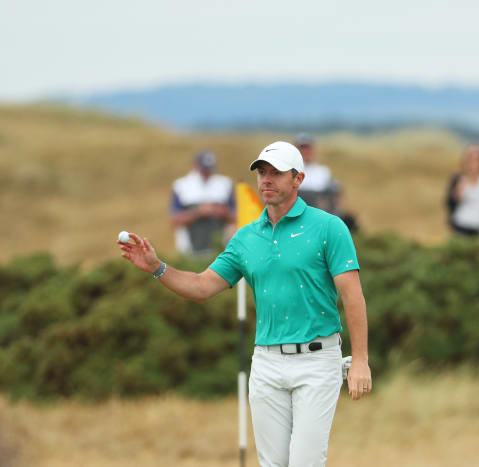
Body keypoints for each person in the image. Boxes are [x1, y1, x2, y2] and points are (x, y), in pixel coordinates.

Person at [118, 141, 372, 467]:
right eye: (262, 172)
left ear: (298, 179)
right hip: (266, 363)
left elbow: (353, 296)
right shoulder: (245, 237)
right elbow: (202, 286)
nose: (266, 179)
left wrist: (361, 360)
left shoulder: (328, 228)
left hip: (317, 361)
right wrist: (158, 268)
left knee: (305, 462)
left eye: (277, 173)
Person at [169, 151, 236, 256]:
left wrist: (220, 211)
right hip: (189, 250)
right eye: (204, 170)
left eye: (209, 169)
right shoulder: (181, 186)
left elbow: (236, 217)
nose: (207, 173)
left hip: (220, 250)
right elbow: (174, 220)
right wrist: (198, 212)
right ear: (195, 166)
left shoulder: (225, 184)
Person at [296, 133, 358, 232]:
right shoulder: (291, 171)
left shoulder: (322, 171)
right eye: (302, 148)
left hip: (321, 212)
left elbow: (336, 192)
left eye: (307, 148)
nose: (305, 151)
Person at [445, 145, 479, 235]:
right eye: (471, 160)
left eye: (478, 160)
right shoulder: (459, 178)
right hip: (462, 226)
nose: (475, 163)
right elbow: (450, 202)